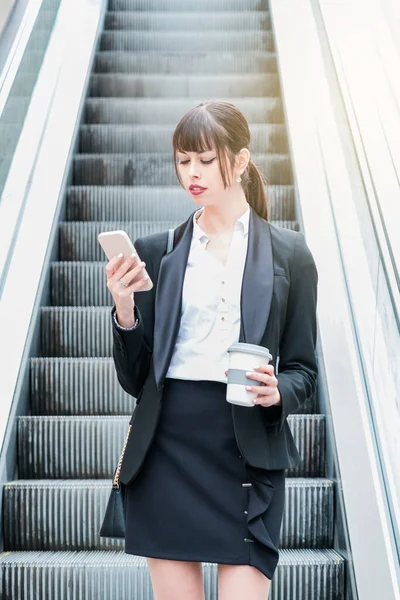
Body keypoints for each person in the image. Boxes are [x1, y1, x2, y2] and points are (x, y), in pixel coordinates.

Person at [105, 100, 318, 600]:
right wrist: (125, 309)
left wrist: (277, 390)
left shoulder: (290, 255)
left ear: (240, 161)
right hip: (167, 445)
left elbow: (304, 369)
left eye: (205, 159)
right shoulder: (158, 252)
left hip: (246, 447)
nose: (192, 173)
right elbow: (136, 380)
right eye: (183, 161)